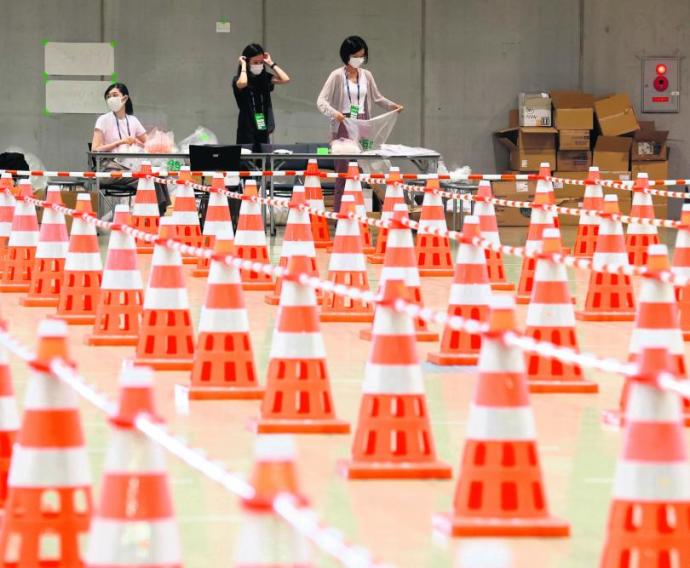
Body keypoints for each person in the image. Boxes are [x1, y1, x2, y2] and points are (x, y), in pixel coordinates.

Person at [317, 35, 403, 211]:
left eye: (362, 55)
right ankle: (341, 212)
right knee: (344, 171)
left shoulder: (367, 75)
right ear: (347, 56)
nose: (359, 59)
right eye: (356, 56)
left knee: (365, 167)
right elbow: (321, 101)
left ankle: (362, 210)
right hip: (344, 124)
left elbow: (377, 97)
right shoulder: (336, 76)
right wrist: (335, 114)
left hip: (363, 124)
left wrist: (392, 106)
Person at [91, 83, 170, 215]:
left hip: (131, 167)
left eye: (115, 95)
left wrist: (139, 142)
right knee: (148, 179)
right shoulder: (103, 120)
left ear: (125, 98)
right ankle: (154, 215)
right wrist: (119, 142)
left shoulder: (133, 120)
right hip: (110, 168)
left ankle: (158, 213)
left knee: (158, 175)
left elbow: (148, 144)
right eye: (109, 96)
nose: (111, 99)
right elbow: (95, 149)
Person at [233, 43, 290, 151]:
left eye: (260, 62)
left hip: (260, 119)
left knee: (262, 153)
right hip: (247, 122)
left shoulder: (264, 78)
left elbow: (285, 79)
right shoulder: (238, 79)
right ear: (247, 61)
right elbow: (243, 83)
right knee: (246, 155)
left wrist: (270, 63)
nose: (258, 65)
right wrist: (243, 66)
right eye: (255, 62)